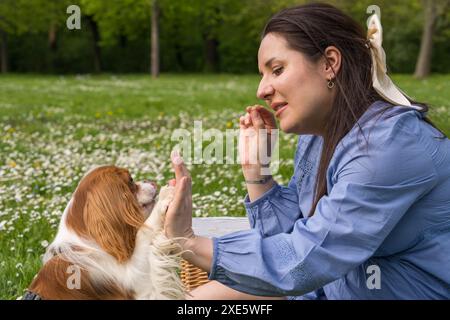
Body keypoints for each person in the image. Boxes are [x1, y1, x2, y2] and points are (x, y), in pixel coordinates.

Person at [164, 3, 450, 299]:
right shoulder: (320, 136)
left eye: (277, 70)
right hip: (328, 291)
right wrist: (258, 174)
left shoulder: (390, 145)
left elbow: (305, 262)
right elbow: (291, 243)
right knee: (192, 303)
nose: (262, 90)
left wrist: (188, 242)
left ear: (329, 63)